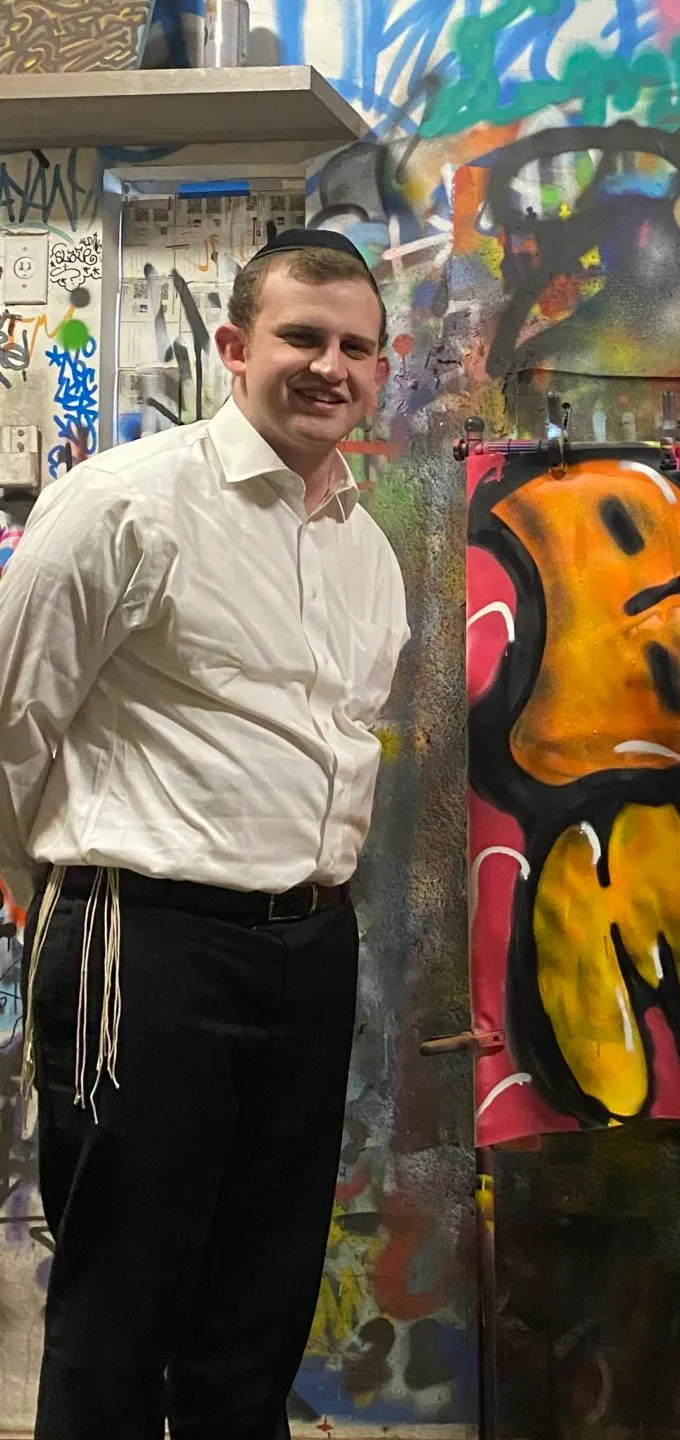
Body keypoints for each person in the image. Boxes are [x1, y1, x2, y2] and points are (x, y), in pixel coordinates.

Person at [0, 229, 409, 1437]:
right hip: (145, 944)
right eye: (302, 337)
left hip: (307, 952)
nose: (330, 366)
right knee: (122, 1316)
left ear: (380, 369)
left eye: (356, 347)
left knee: (259, 1311)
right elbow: (9, 722)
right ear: (234, 349)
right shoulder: (126, 505)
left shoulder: (366, 549)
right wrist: (58, 905)